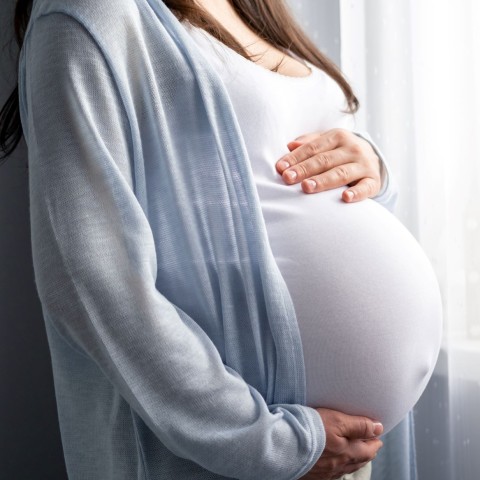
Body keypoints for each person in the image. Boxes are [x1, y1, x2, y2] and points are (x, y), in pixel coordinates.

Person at [1, 0, 416, 479]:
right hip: (238, 451)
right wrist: (269, 444)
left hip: (336, 448)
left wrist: (370, 165)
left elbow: (283, 165)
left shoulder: (254, 6)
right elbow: (90, 281)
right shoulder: (92, 14)